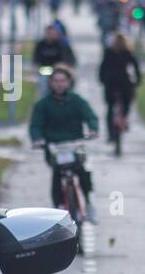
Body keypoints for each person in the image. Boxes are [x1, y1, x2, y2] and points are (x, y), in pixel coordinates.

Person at [28, 64, 99, 220]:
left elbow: (90, 116)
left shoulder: (77, 101)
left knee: (83, 173)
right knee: (56, 176)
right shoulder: (43, 104)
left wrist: (93, 128)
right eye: (56, 81)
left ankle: (88, 202)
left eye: (63, 80)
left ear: (69, 82)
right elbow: (35, 125)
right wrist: (37, 139)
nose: (59, 84)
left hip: (74, 144)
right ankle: (58, 208)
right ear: (51, 83)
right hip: (53, 147)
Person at [99, 32, 141, 141]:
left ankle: (110, 133)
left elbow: (103, 67)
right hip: (124, 83)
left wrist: (102, 79)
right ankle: (124, 120)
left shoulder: (109, 52)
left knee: (110, 109)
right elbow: (136, 68)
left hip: (111, 84)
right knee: (126, 105)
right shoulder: (128, 52)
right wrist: (137, 81)